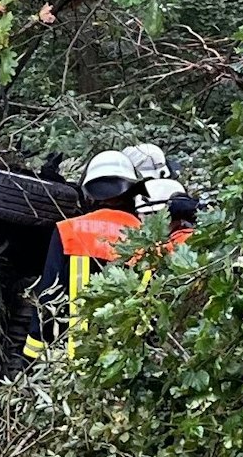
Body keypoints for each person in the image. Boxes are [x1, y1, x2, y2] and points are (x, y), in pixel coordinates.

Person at [14, 144, 198, 362]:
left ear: (89, 195)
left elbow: (48, 296)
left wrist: (32, 357)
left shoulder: (68, 230)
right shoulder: (149, 237)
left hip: (74, 360)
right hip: (127, 362)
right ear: (133, 193)